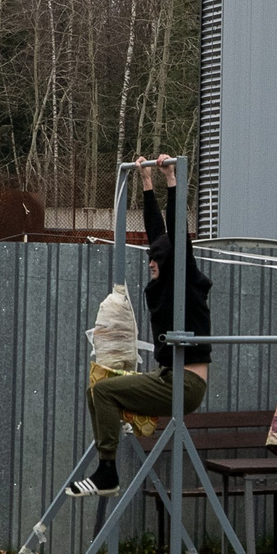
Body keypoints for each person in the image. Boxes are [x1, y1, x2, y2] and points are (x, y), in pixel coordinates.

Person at [71, 156, 212, 495]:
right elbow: (156, 232)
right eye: (150, 258)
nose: (151, 263)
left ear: (171, 262)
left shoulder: (185, 281)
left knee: (104, 392)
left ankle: (108, 471)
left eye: (157, 260)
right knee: (97, 390)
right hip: (168, 376)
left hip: (186, 383)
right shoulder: (165, 284)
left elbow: (177, 234)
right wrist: (147, 182)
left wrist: (172, 179)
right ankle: (119, 437)